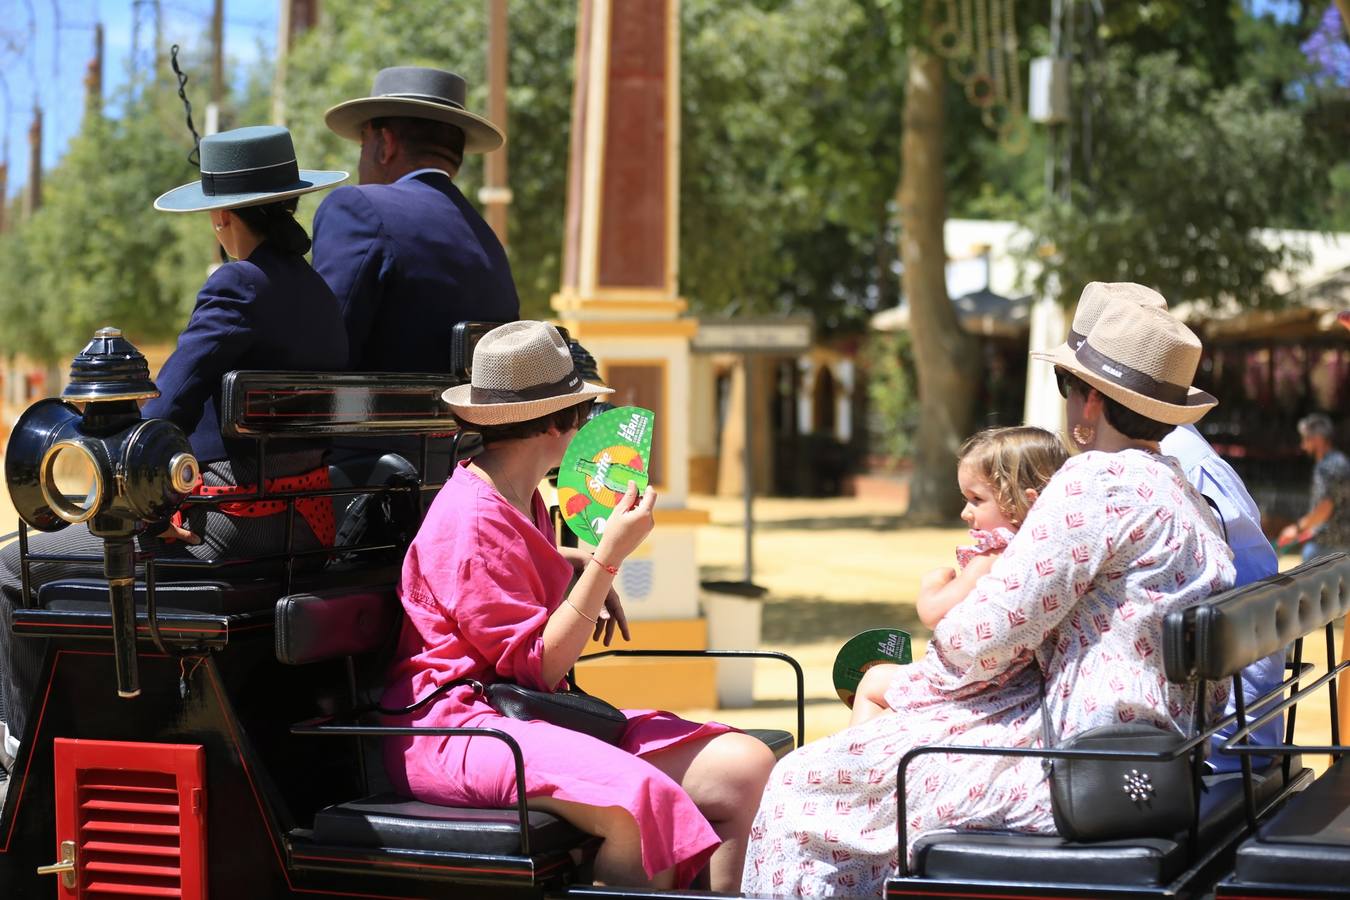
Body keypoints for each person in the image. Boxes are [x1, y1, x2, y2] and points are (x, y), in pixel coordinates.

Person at [741, 299, 1234, 899]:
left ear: (1095, 400)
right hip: (1153, 754)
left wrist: (907, 686)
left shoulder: (1096, 482)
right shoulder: (1179, 488)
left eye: (1067, 384)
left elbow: (981, 640)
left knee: (800, 783)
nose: (1068, 400)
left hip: (1078, 762)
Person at [381, 321, 774, 891]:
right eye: (584, 413)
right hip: (461, 730)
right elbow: (539, 666)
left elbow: (523, 567)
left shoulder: (517, 496)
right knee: (643, 802)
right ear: (561, 422)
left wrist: (577, 564)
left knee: (745, 769)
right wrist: (607, 560)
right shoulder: (472, 522)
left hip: (524, 713)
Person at [0, 126, 348, 764]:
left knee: (6, 565)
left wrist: (157, 507)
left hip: (233, 528)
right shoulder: (317, 293)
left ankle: (18, 749)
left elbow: (163, 411)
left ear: (219, 214)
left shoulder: (237, 284)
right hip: (308, 525)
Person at [1067, 282, 1283, 770]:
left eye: (1069, 383)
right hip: (1224, 724)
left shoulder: (1148, 476)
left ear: (1094, 398)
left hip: (1212, 741)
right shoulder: (1170, 462)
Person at [849, 426, 1067, 726]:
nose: (966, 512)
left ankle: (859, 756)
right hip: (1014, 686)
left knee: (873, 682)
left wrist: (934, 583)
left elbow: (933, 611)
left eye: (976, 499)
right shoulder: (1044, 551)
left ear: (1023, 502)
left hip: (975, 689)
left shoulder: (995, 556)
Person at [312, 66, 519, 373]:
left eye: (362, 144)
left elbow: (322, 348)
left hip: (373, 419)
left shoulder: (358, 207)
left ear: (385, 144)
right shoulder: (487, 240)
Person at [1279, 413, 1350, 561]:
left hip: (1329, 546)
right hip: (1344, 543)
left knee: (1307, 563)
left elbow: (1324, 509)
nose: (1303, 445)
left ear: (1318, 439)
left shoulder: (1326, 467)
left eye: (1306, 439)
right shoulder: (1340, 461)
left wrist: (1296, 529)